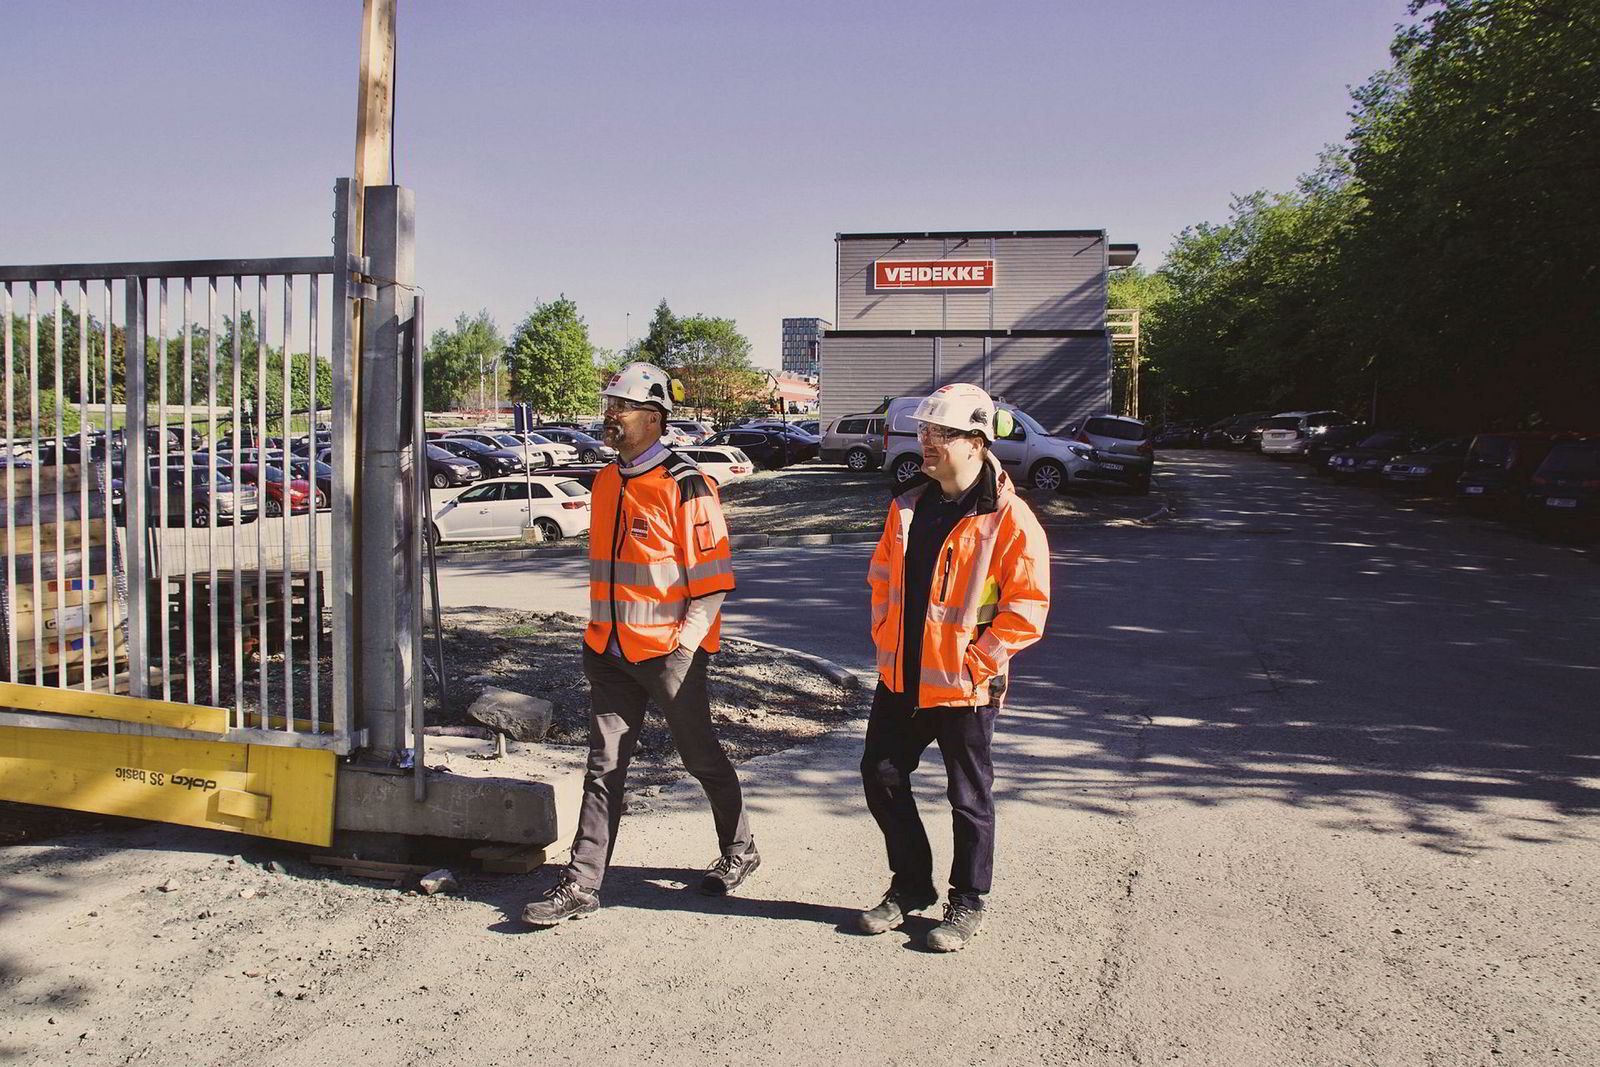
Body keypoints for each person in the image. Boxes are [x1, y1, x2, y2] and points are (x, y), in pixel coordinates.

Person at [522, 362, 758, 926]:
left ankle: (740, 849)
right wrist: (600, 642)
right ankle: (582, 883)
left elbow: (713, 581)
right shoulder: (607, 480)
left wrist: (685, 647)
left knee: (700, 757)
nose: (610, 416)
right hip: (608, 652)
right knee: (604, 767)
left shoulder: (687, 483)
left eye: (620, 407)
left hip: (669, 655)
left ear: (652, 418)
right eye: (609, 405)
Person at [857, 383, 1051, 952]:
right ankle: (911, 884)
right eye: (924, 430)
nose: (928, 441)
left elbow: (1027, 607)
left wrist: (978, 661)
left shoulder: (1008, 517)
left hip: (967, 685)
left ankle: (968, 901)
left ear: (976, 441)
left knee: (968, 797)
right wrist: (884, 640)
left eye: (942, 432)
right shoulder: (908, 505)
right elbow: (882, 580)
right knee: (881, 775)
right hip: (902, 676)